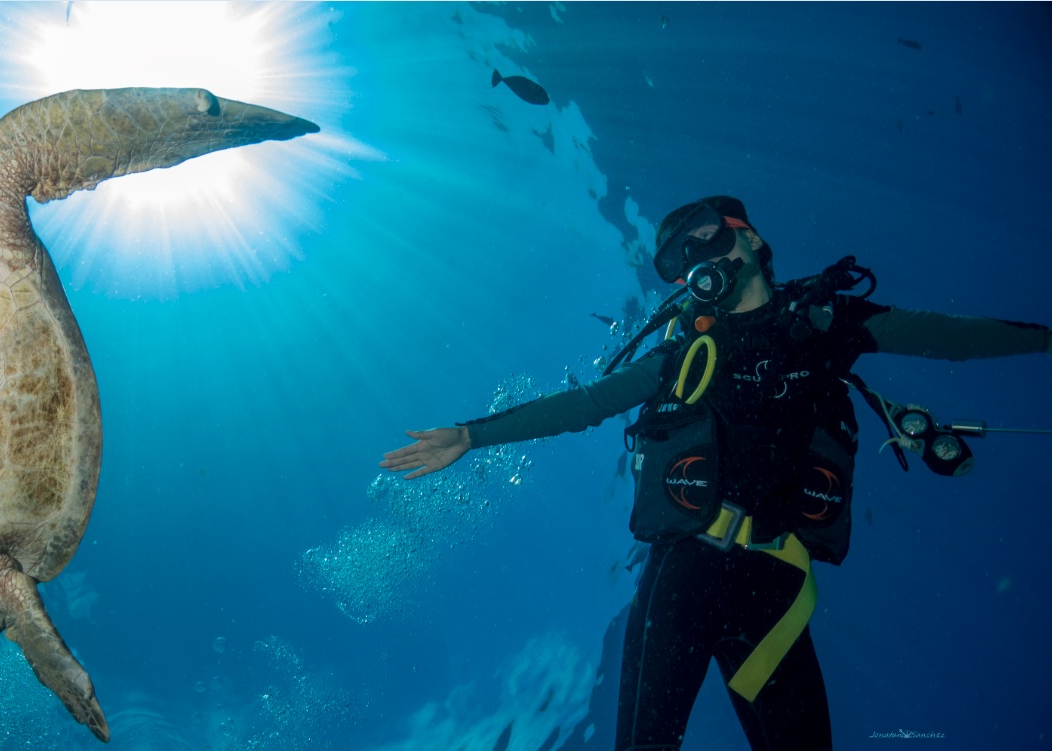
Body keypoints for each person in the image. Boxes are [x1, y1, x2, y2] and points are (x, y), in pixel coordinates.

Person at [380, 196, 1052, 751]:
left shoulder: (825, 321)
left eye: (706, 241)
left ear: (750, 237)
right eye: (681, 261)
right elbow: (587, 402)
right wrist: (471, 434)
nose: (697, 263)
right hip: (683, 574)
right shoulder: (683, 354)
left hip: (777, 584)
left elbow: (950, 336)